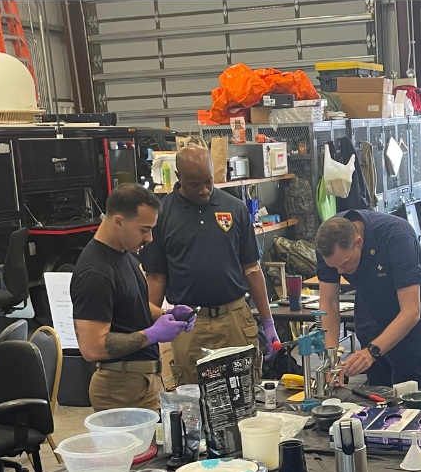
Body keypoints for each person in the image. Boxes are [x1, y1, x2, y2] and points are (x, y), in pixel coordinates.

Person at [139, 146, 279, 389]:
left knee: (245, 396)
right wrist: (150, 331)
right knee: (194, 402)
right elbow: (155, 278)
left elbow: (252, 269)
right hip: (190, 324)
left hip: (235, 318)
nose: (204, 190)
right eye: (195, 184)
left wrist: (268, 323)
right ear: (178, 176)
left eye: (209, 181)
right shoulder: (162, 215)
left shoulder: (235, 208)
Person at [71, 184, 195, 412]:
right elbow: (92, 347)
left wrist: (168, 315)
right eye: (144, 230)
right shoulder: (95, 273)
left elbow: (133, 304)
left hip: (143, 381)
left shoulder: (123, 254)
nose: (149, 238)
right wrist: (151, 335)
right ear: (119, 221)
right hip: (119, 389)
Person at [315, 210, 421, 389]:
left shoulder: (397, 236)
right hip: (371, 313)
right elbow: (329, 301)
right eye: (334, 266)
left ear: (358, 242)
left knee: (414, 395)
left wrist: (372, 351)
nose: (340, 271)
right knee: (377, 397)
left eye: (345, 263)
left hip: (414, 324)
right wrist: (331, 359)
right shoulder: (328, 242)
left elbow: (411, 311)